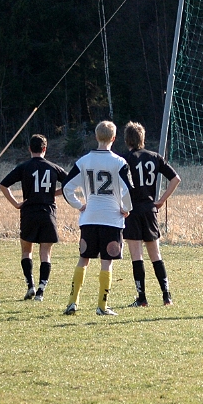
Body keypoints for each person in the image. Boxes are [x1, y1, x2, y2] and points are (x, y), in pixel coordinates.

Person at [62, 121, 133, 316]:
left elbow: (67, 187)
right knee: (106, 262)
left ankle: (72, 302)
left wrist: (79, 205)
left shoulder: (84, 161)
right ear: (113, 138)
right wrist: (126, 209)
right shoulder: (119, 162)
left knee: (83, 259)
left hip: (90, 218)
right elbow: (127, 190)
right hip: (111, 219)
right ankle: (102, 306)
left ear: (96, 137)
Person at [0, 134, 68, 301]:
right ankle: (41, 290)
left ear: (30, 149)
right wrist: (54, 193)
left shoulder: (23, 167)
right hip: (48, 213)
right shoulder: (53, 167)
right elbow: (71, 184)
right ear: (45, 149)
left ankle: (29, 285)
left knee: (26, 250)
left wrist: (16, 203)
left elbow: (3, 185)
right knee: (45, 253)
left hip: (29, 213)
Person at [122, 121, 181, 307]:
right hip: (149, 209)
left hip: (132, 210)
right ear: (142, 138)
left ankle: (142, 298)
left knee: (136, 255)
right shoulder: (155, 156)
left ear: (127, 140)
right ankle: (166, 296)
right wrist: (162, 200)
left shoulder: (124, 160)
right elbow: (175, 179)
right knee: (155, 254)